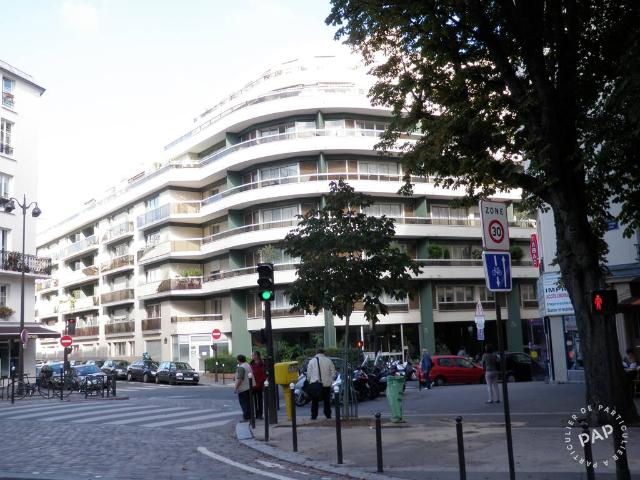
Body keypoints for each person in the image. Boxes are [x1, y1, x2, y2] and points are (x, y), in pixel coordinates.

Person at [306, 348, 336, 420]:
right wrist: (331, 380)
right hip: (326, 384)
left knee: (315, 401)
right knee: (326, 400)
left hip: (315, 384)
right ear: (323, 353)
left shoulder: (312, 361)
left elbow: (309, 374)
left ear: (316, 352)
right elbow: (333, 372)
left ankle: (314, 416)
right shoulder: (328, 361)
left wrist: (309, 380)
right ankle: (328, 415)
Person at [234, 354, 252, 421]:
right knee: (248, 403)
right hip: (249, 387)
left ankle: (246, 417)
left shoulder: (241, 367)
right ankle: (250, 416)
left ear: (238, 360)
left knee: (244, 403)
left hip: (243, 388)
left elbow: (240, 379)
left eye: (237, 359)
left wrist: (236, 388)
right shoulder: (247, 365)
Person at [250, 351, 267, 419]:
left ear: (257, 356)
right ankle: (256, 414)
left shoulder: (262, 364)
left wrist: (259, 383)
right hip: (253, 384)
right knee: (254, 400)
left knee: (259, 399)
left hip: (259, 384)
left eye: (254, 355)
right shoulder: (251, 364)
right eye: (252, 355)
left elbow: (264, 375)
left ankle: (260, 414)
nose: (253, 356)